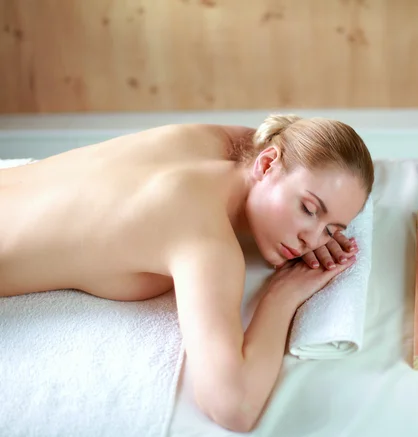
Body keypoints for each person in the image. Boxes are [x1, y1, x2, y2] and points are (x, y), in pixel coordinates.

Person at [0, 114, 374, 432]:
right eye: (308, 208)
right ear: (265, 164)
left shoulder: (209, 141)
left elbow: (287, 142)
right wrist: (284, 294)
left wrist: (313, 213)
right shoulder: (207, 241)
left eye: (332, 230)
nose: (311, 241)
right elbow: (234, 406)